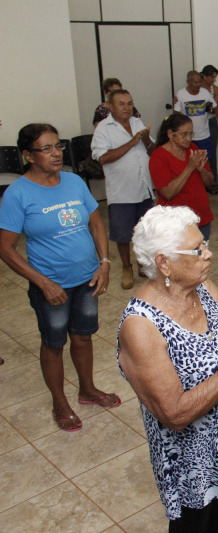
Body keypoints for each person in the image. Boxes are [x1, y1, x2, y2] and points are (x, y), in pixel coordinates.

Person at [118, 205, 218, 529]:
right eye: (198, 249)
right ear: (164, 263)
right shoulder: (140, 326)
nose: (209, 254)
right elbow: (174, 414)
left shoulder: (202, 287)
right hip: (190, 460)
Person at [0, 123, 117, 433]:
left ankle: (88, 389)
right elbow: (6, 249)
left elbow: (96, 224)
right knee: (54, 343)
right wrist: (43, 283)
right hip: (50, 285)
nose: (56, 153)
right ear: (27, 155)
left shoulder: (74, 182)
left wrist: (104, 262)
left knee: (83, 335)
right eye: (46, 148)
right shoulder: (18, 194)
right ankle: (59, 401)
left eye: (58, 146)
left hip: (87, 279)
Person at [91, 89, 155, 289]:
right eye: (121, 104)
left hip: (144, 187)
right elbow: (102, 158)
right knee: (123, 234)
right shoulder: (103, 128)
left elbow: (152, 151)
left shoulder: (137, 122)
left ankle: (142, 264)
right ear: (110, 106)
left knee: (144, 231)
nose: (127, 108)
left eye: (130, 103)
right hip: (121, 191)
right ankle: (126, 267)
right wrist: (132, 142)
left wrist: (145, 140)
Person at [149, 114, 214, 240]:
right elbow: (167, 193)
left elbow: (210, 182)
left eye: (191, 134)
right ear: (170, 134)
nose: (189, 138)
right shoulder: (158, 157)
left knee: (200, 257)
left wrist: (202, 171)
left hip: (201, 218)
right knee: (182, 258)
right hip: (176, 224)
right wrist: (190, 167)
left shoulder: (193, 149)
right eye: (184, 134)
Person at [175, 71, 218, 195]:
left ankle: (209, 185)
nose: (198, 85)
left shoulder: (205, 93)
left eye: (199, 82)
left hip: (204, 135)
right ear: (188, 82)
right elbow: (176, 114)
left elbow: (214, 108)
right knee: (188, 162)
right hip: (188, 137)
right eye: (195, 82)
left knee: (207, 162)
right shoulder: (181, 94)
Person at [200, 65, 218, 185]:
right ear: (204, 76)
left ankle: (213, 180)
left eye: (215, 77)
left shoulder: (216, 90)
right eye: (211, 77)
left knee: (211, 152)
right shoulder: (197, 88)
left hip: (211, 121)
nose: (213, 79)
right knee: (199, 153)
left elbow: (216, 109)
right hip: (199, 121)